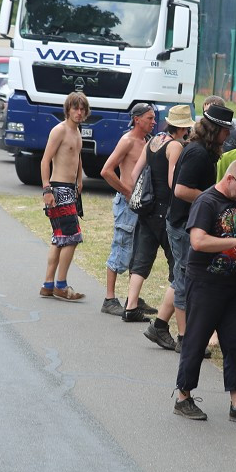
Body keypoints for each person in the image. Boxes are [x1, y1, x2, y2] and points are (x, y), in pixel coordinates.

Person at [172, 159, 236, 426]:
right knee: (196, 339)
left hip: (233, 282)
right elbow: (198, 241)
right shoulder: (206, 202)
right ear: (229, 180)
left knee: (235, 342)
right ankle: (183, 397)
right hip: (204, 282)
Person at [164, 101, 234, 351]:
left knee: (181, 277)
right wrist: (211, 201)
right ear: (214, 130)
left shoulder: (202, 150)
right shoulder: (198, 153)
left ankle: (160, 326)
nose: (228, 134)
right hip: (183, 224)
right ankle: (185, 339)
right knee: (184, 280)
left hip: (186, 222)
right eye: (225, 130)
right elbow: (181, 189)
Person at [136, 105, 195, 349]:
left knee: (171, 271)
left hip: (151, 208)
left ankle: (155, 321)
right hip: (169, 211)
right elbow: (174, 182)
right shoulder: (175, 146)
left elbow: (139, 171)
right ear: (183, 127)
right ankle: (173, 330)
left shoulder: (155, 141)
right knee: (178, 272)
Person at [100, 103, 156, 320]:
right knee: (120, 246)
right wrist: (126, 191)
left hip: (141, 206)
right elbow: (106, 170)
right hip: (127, 205)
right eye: (150, 118)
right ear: (137, 119)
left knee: (138, 250)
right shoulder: (127, 141)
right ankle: (109, 299)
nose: (153, 121)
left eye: (153, 118)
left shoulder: (148, 141)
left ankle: (133, 299)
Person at [39, 91, 89, 301]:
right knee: (71, 238)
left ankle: (48, 285)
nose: (78, 112)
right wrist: (47, 189)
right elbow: (45, 160)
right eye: (75, 108)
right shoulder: (59, 130)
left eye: (82, 109)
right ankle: (61, 285)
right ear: (67, 109)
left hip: (70, 189)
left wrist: (79, 180)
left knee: (59, 238)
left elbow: (76, 157)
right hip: (58, 189)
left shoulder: (77, 132)